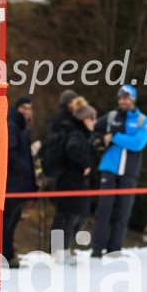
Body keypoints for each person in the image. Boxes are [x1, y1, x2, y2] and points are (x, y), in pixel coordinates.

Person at [91, 84, 147, 257]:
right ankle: (97, 249)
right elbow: (94, 130)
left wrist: (114, 137)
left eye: (126, 98)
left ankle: (114, 249)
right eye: (121, 98)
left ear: (133, 99)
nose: (123, 101)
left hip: (129, 172)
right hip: (109, 168)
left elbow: (138, 143)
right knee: (104, 209)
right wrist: (99, 140)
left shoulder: (142, 120)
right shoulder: (111, 116)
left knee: (123, 211)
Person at [0, 96, 37, 268]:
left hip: (18, 182)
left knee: (7, 220)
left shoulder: (23, 128)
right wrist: (25, 170)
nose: (26, 111)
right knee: (7, 221)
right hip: (11, 183)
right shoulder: (12, 125)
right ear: (17, 109)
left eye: (29, 108)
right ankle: (7, 255)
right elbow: (11, 153)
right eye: (23, 108)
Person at [50, 96, 96, 263]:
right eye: (92, 118)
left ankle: (61, 250)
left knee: (72, 216)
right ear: (84, 119)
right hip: (71, 181)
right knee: (71, 217)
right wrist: (85, 165)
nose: (94, 121)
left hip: (69, 181)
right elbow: (72, 149)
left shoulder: (77, 132)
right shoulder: (77, 134)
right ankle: (61, 252)